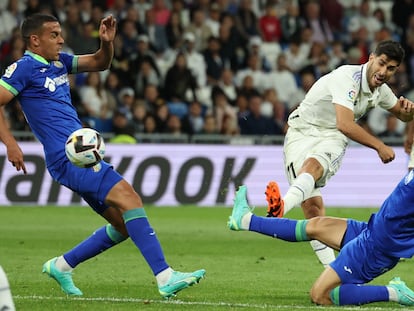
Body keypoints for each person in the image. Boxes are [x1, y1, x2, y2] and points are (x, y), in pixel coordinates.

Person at [0, 13, 205, 299]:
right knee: (130, 199)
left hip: (80, 155)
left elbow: (100, 62)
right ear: (35, 40)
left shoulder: (59, 62)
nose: (61, 40)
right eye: (54, 35)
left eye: (60, 34)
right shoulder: (23, 68)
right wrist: (10, 144)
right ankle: (165, 276)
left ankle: (62, 265)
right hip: (67, 156)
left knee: (123, 225)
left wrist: (106, 43)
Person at [264, 40, 414, 267]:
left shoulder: (381, 91)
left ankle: (282, 207)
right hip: (300, 132)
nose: (384, 72)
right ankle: (330, 271)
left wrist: (407, 111)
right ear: (371, 58)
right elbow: (346, 123)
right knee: (313, 212)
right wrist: (379, 146)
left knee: (313, 167)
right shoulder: (347, 78)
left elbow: (401, 114)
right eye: (382, 63)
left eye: (391, 68)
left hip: (332, 135)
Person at [227, 177, 414, 307]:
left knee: (320, 295)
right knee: (316, 226)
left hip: (378, 245)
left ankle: (394, 292)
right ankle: (245, 220)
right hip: (374, 228)